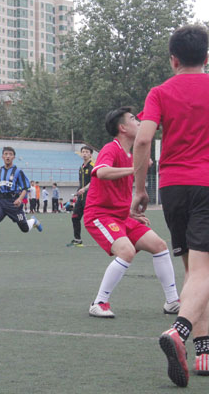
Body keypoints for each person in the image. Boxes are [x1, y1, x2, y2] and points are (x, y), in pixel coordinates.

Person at [132, 25, 209, 387]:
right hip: (207, 185)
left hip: (173, 187)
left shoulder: (160, 92)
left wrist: (138, 190)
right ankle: (179, 331)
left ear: (173, 60)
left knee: (195, 272)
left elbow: (143, 139)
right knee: (204, 272)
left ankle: (204, 351)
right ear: (207, 57)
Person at [85, 107, 179, 321]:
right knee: (126, 251)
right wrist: (136, 168)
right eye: (133, 119)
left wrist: (128, 211)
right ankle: (99, 303)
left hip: (121, 217)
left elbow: (120, 191)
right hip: (100, 216)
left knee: (159, 246)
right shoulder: (111, 148)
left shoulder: (133, 153)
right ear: (122, 128)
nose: (138, 122)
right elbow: (101, 172)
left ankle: (172, 301)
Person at [67, 145, 95, 247]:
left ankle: (110, 239)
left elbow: (94, 181)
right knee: (75, 217)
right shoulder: (81, 167)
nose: (84, 154)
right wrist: (77, 193)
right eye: (83, 152)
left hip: (90, 197)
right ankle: (77, 240)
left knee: (92, 220)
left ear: (91, 155)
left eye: (87, 152)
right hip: (81, 197)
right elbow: (81, 183)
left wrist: (85, 189)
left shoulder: (93, 166)